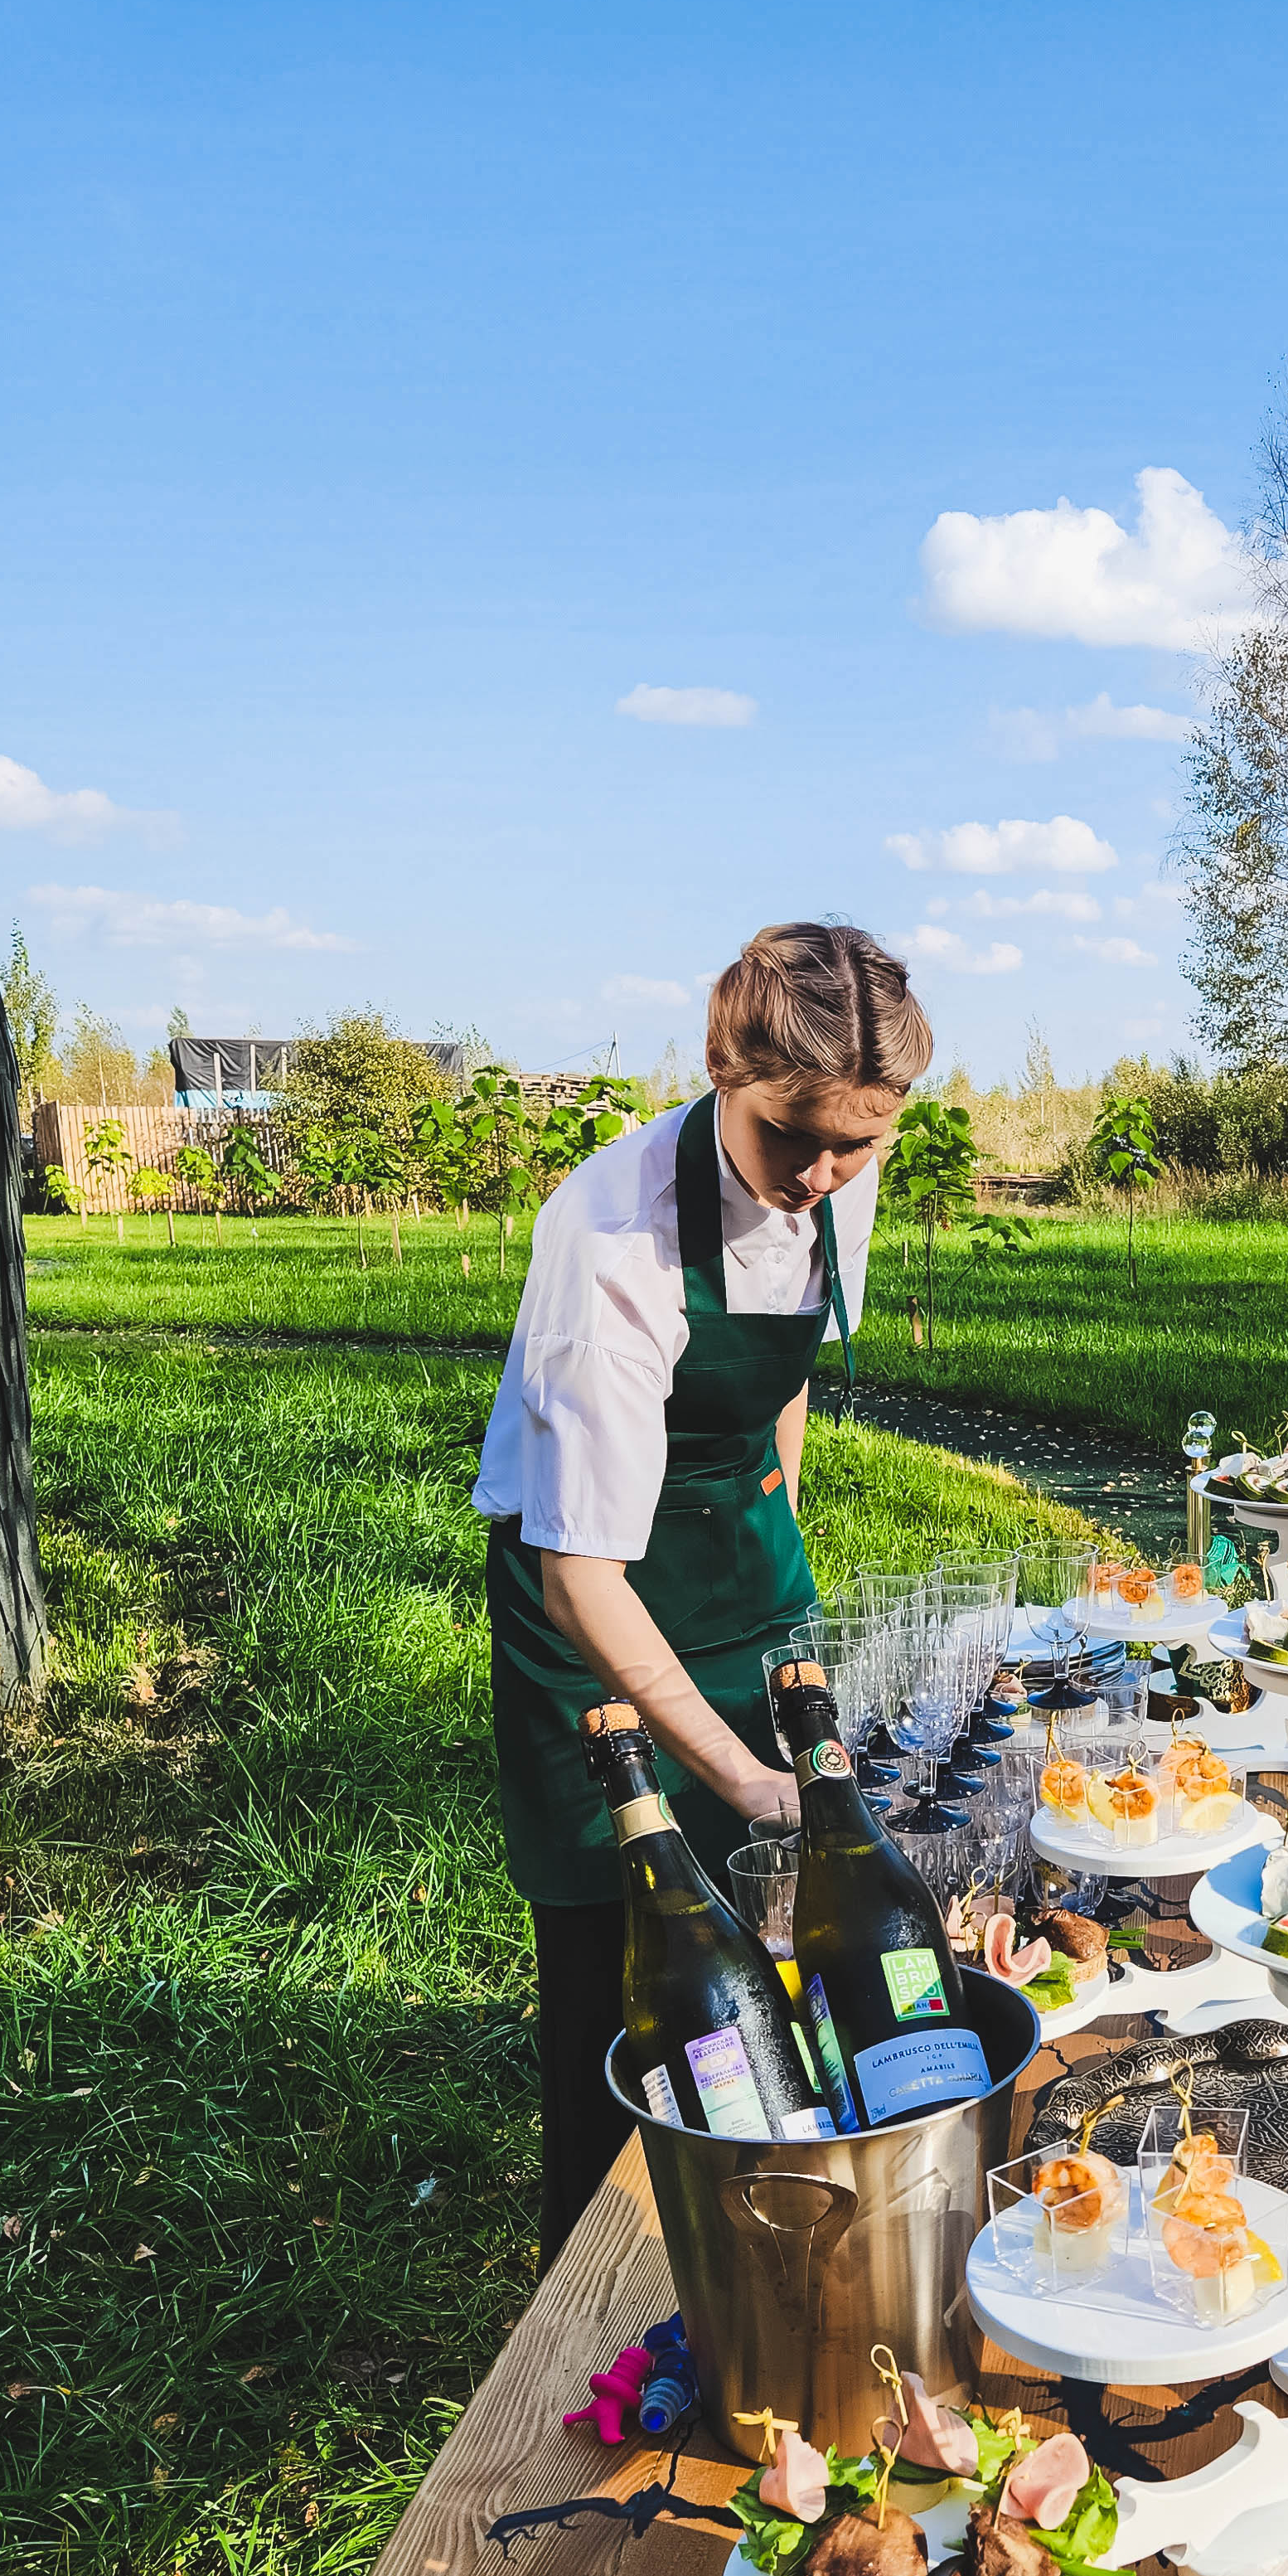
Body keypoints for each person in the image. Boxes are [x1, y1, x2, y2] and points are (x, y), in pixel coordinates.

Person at [472, 921, 931, 2262]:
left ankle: (790, 2236)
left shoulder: (840, 1171)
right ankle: (603, 2295)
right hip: (597, 1628)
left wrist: (778, 1526)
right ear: (725, 1071)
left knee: (795, 1956)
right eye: (795, 1136)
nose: (827, 1173)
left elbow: (774, 1377)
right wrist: (739, 1780)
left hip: (744, 1577)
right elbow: (580, 1575)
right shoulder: (609, 1241)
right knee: (634, 1989)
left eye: (862, 1140)